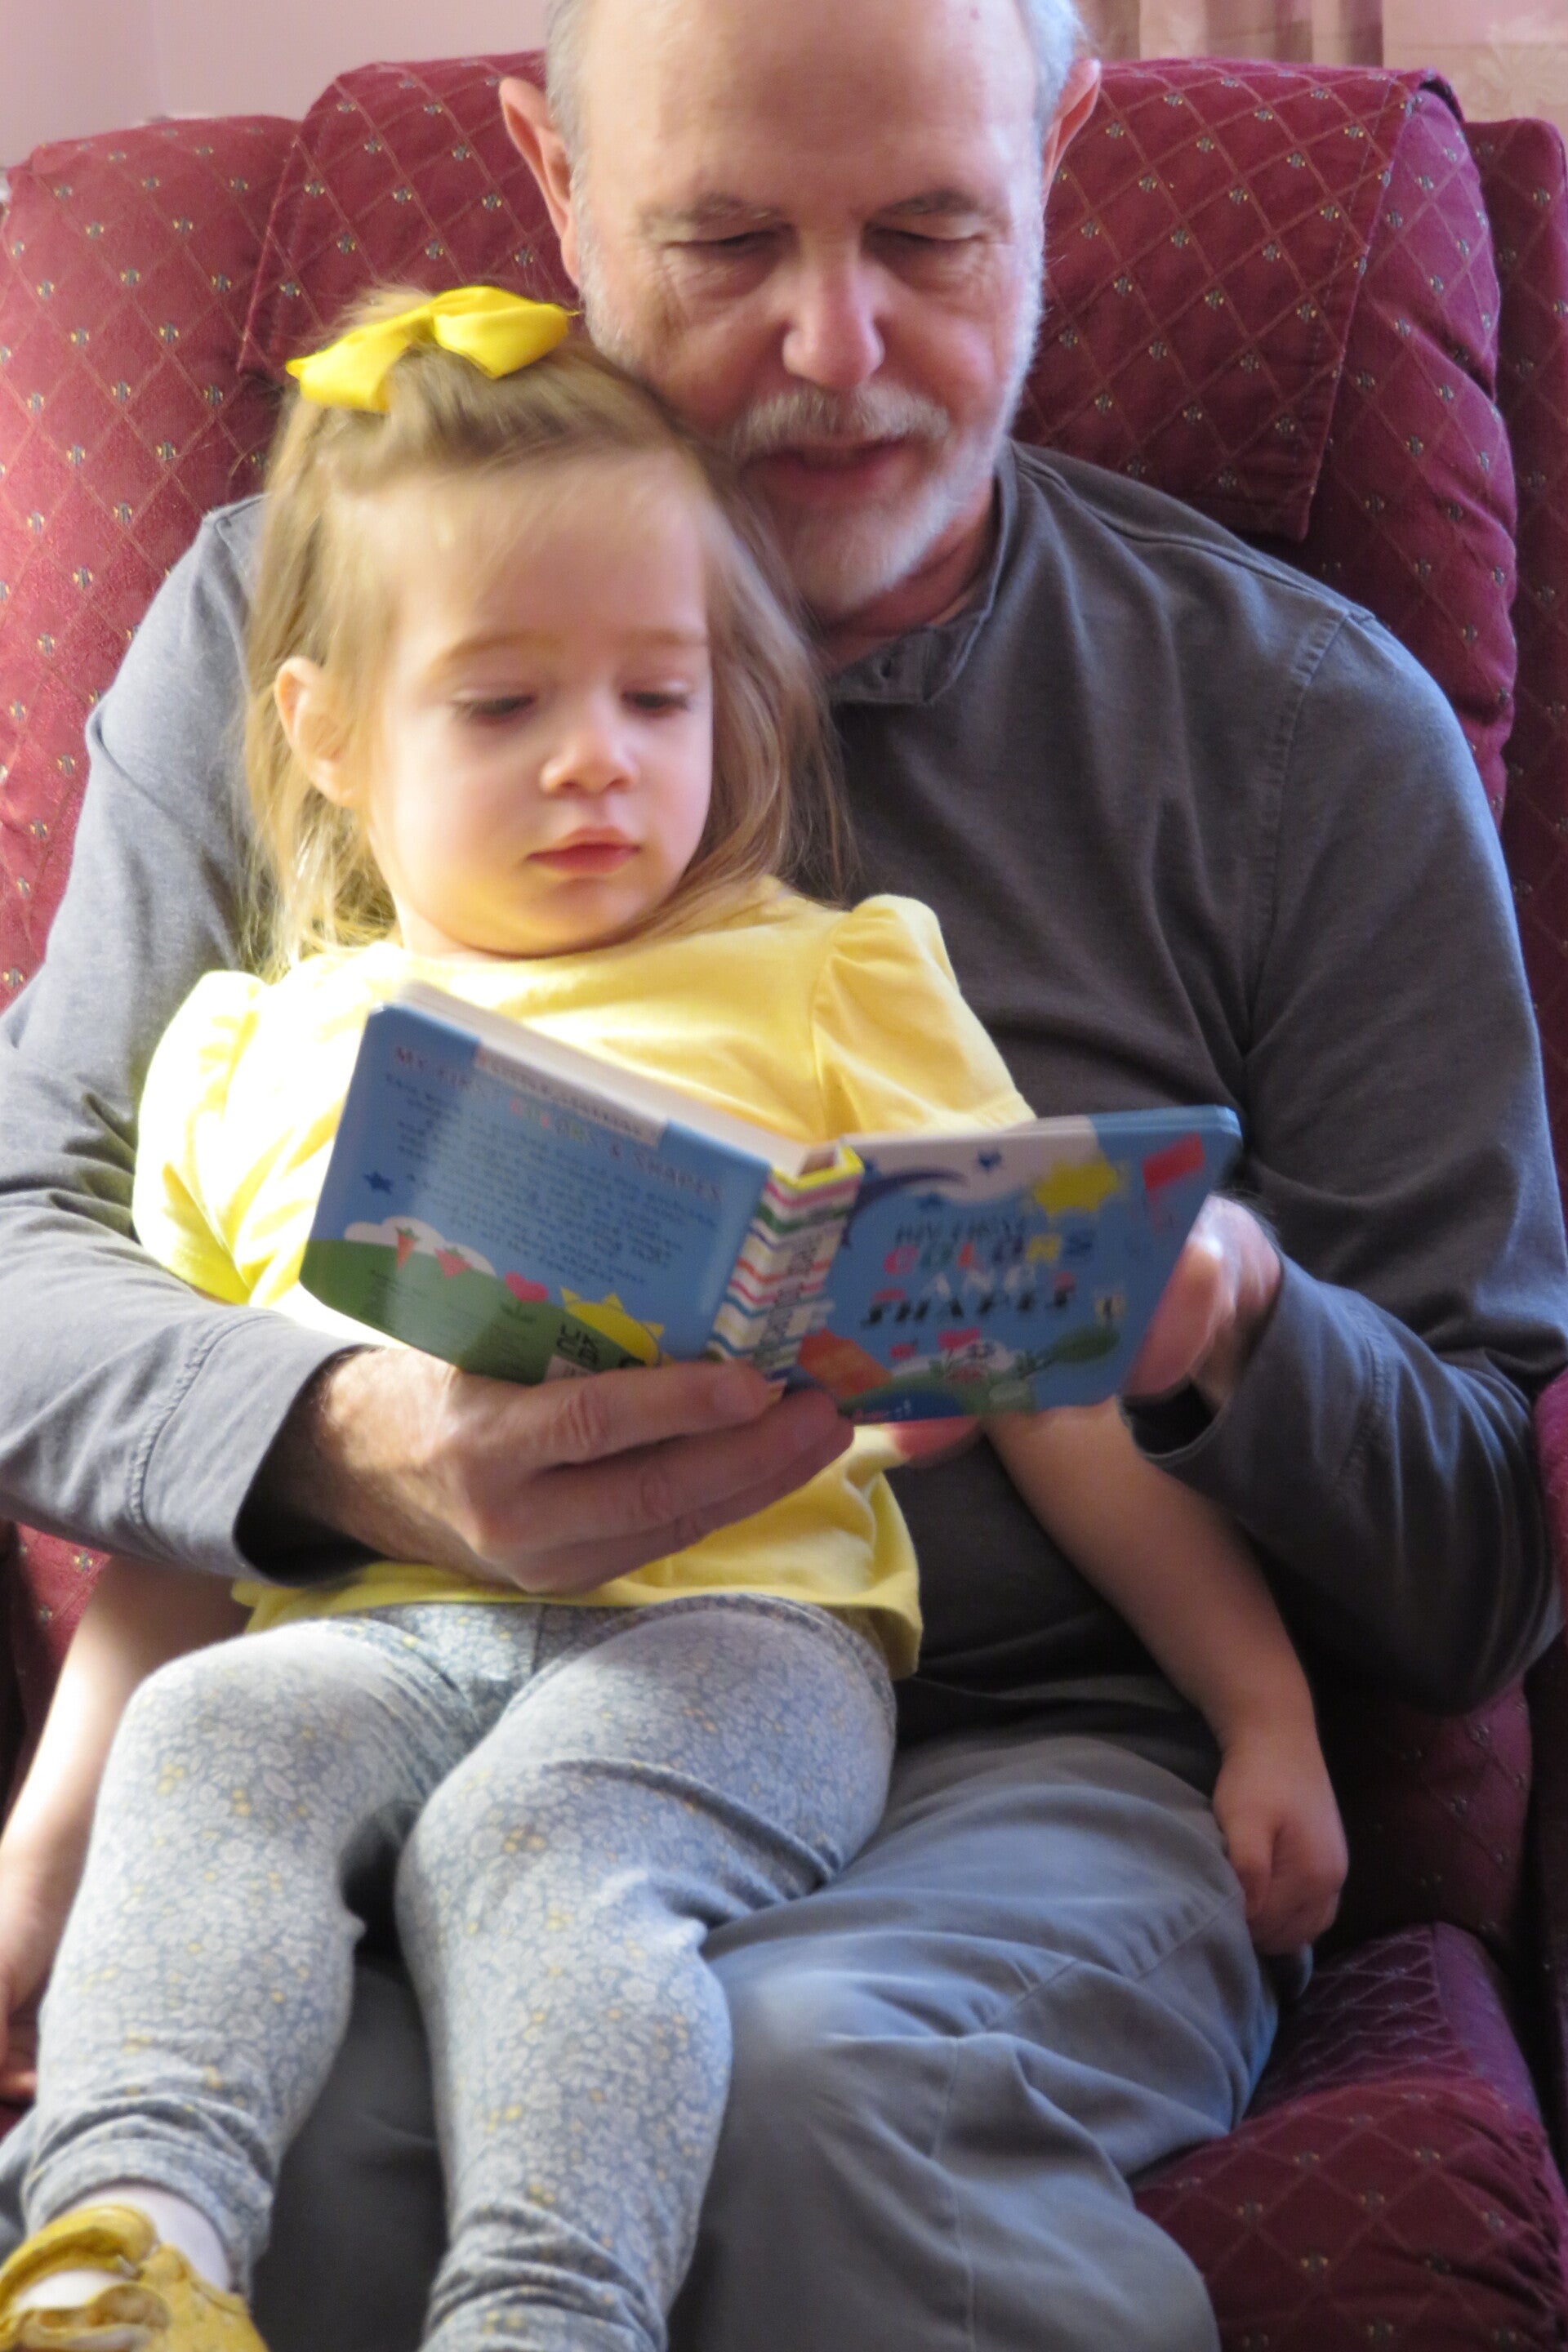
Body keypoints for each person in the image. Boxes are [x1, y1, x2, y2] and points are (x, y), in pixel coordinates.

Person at [0, 0, 1561, 2345]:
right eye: (724, 242)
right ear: (554, 185)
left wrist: (1231, 1324)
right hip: (398, 1690)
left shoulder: (1299, 729)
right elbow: (33, 1256)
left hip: (1026, 1756)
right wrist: (341, 1444)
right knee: (285, 2136)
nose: (837, 349)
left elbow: (1481, 1573)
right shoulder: (298, 616)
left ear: (1062, 154)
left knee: (805, 2100)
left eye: (931, 234)